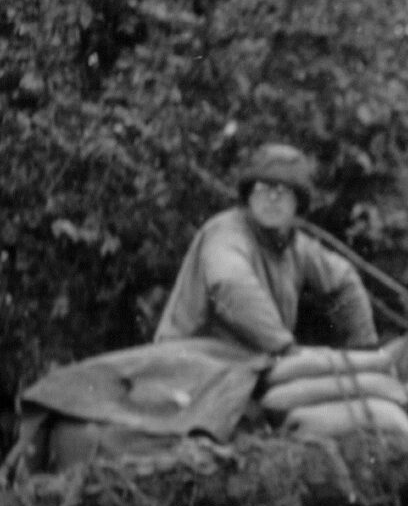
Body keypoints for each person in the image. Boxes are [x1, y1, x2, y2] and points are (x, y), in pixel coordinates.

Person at [156, 143, 379, 355]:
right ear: (249, 196)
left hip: (251, 366)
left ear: (297, 203)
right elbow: (231, 285)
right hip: (194, 364)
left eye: (284, 190)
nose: (273, 198)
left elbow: (343, 280)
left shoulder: (294, 245)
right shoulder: (225, 233)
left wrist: (365, 352)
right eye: (263, 189)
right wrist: (285, 348)